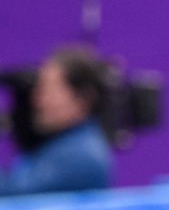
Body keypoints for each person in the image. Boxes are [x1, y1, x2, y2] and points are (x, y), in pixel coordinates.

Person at [0, 47, 114, 197]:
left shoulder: (81, 157)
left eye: (47, 90)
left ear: (83, 99)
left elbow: (16, 195)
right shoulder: (57, 145)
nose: (37, 101)